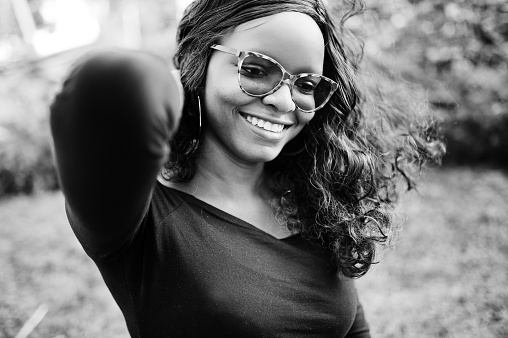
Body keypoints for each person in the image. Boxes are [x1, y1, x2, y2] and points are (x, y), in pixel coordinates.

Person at [50, 0, 443, 337]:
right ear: (198, 64)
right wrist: (184, 83)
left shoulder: (310, 196)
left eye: (306, 84)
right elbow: (109, 86)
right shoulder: (136, 222)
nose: (285, 102)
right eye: (255, 70)